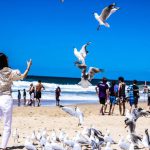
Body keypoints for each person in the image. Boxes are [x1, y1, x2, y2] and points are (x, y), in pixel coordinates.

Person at [0, 53, 32, 150]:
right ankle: (3, 147)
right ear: (5, 60)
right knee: (7, 124)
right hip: (6, 99)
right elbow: (22, 77)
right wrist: (28, 67)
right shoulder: (12, 72)